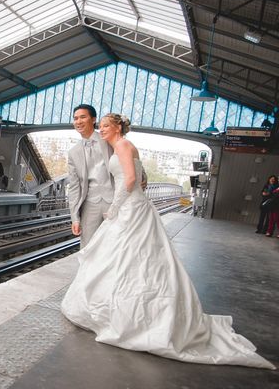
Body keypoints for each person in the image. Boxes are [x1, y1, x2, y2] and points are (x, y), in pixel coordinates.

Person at [61, 113, 274, 369]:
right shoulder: (117, 146)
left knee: (132, 257)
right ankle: (119, 306)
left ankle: (134, 314)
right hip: (131, 206)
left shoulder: (124, 146)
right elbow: (134, 178)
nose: (101, 129)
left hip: (129, 208)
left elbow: (129, 180)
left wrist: (114, 208)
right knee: (126, 258)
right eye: (101, 126)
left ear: (118, 127)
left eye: (105, 125)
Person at [67, 104, 147, 247]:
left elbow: (132, 160)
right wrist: (75, 218)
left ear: (93, 120)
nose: (78, 121)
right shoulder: (73, 153)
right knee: (88, 246)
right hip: (90, 203)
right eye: (75, 118)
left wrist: (142, 177)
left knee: (116, 245)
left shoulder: (109, 138)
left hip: (116, 200)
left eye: (83, 117)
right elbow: (73, 187)